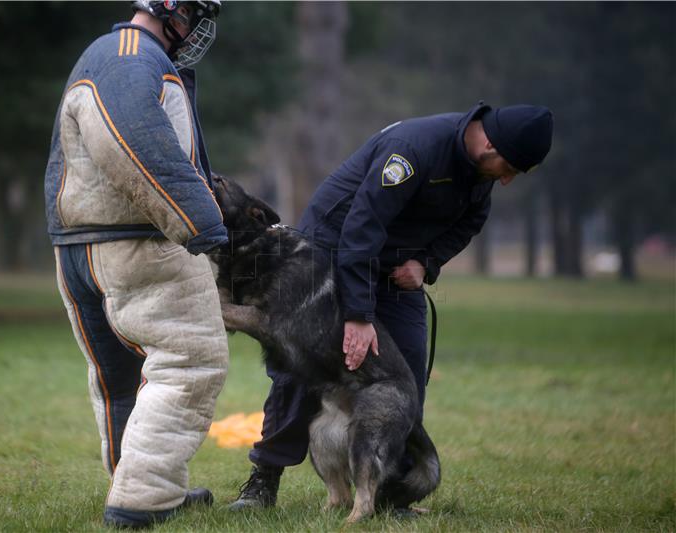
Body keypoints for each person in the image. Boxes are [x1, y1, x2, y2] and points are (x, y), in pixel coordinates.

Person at [230, 102, 554, 509]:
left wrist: (426, 262)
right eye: (508, 168)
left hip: (395, 262)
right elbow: (360, 229)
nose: (506, 181)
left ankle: (388, 491)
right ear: (490, 143)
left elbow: (471, 220)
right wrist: (359, 316)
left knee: (404, 375)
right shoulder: (411, 151)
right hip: (329, 252)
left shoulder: (480, 170)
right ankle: (264, 482)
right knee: (302, 365)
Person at [43, 1, 228, 528]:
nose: (196, 28)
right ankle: (142, 499)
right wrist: (203, 225)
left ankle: (135, 480)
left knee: (119, 378)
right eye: (194, 14)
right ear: (170, 10)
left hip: (80, 249)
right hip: (138, 247)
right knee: (188, 364)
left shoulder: (105, 54)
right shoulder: (130, 57)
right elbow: (133, 141)